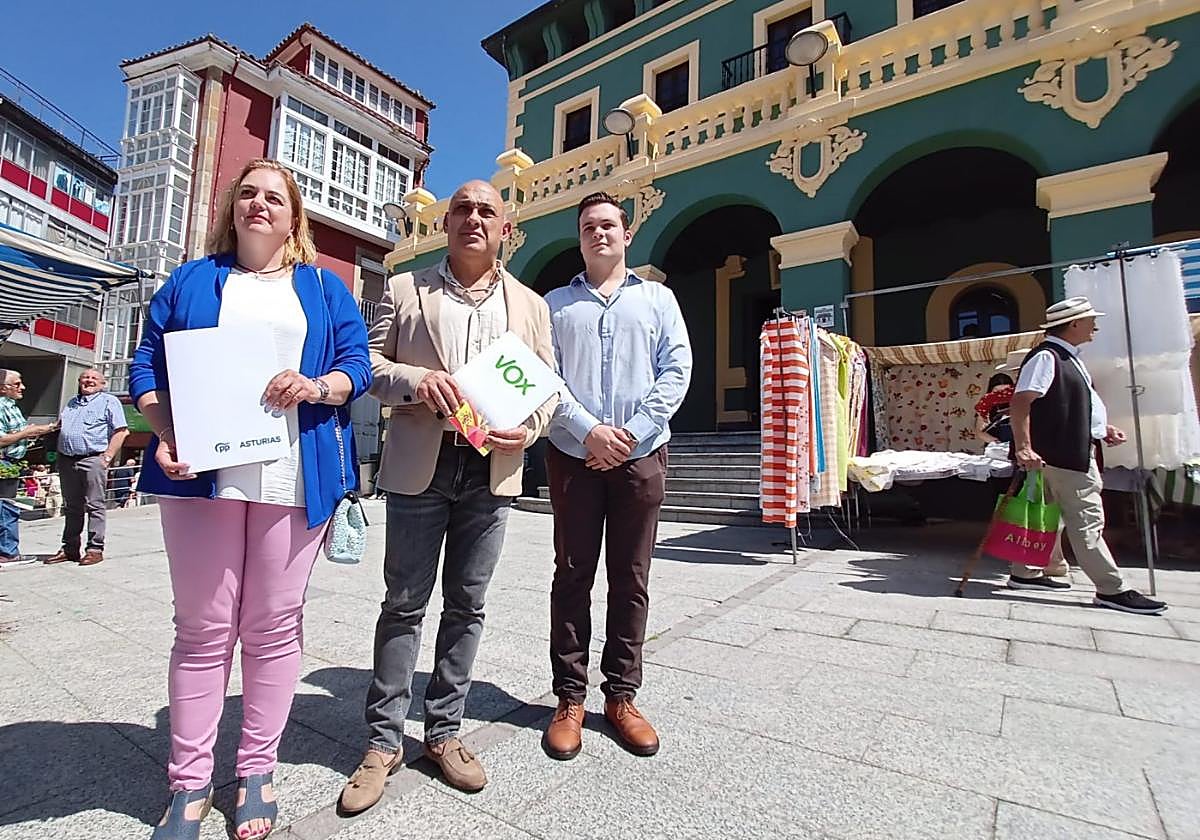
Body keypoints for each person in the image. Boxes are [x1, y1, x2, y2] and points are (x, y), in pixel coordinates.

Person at [128, 158, 371, 840]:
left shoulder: (324, 289)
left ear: (294, 217)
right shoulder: (192, 279)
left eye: (274, 197)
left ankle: (257, 769)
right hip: (201, 473)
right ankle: (189, 785)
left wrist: (316, 387)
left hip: (293, 476)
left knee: (272, 626)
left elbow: (356, 366)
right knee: (203, 628)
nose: (259, 205)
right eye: (248, 194)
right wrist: (164, 430)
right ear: (231, 207)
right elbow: (147, 360)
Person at [340, 180, 556, 814]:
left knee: (467, 604)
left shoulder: (531, 305)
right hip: (420, 466)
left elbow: (546, 388)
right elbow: (369, 366)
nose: (473, 218)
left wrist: (531, 428)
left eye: (487, 210)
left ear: (505, 230)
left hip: (490, 470)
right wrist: (416, 380)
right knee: (404, 602)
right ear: (445, 224)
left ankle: (444, 732)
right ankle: (382, 743)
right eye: (462, 208)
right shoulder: (406, 289)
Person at [542, 192, 692, 761]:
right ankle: (569, 697)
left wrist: (627, 433)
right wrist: (588, 433)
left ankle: (622, 696)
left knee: (631, 578)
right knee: (573, 574)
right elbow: (546, 380)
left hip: (642, 455)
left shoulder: (658, 300)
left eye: (608, 225)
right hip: (573, 459)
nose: (599, 234)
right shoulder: (555, 304)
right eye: (588, 227)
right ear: (579, 238)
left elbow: (677, 369)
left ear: (627, 234)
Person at [1009, 297, 1167, 615]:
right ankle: (1112, 588)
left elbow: (1066, 405)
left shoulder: (1067, 358)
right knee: (1087, 520)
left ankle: (1026, 572)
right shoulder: (1048, 356)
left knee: (1050, 515)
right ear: (1074, 323)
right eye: (1091, 320)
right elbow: (1022, 401)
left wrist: (1099, 428)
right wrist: (1024, 446)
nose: (1095, 325)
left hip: (1062, 451)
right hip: (1064, 455)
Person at [45, 369, 128, 566]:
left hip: (92, 459)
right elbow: (59, 426)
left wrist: (106, 457)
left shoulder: (109, 401)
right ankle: (70, 548)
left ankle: (95, 548)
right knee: (71, 506)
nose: (88, 381)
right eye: (85, 377)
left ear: (103, 384)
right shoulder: (72, 403)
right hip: (67, 460)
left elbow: (122, 431)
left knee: (94, 505)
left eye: (94, 378)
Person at [0, 369, 58, 566]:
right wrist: (27, 432)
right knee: (7, 508)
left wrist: (36, 432)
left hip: (11, 463)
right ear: (3, 388)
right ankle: (7, 553)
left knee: (7, 507)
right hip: (4, 463)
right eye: (17, 384)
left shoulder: (11, 406)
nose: (22, 387)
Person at [974, 372, 1015, 445]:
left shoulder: (1020, 402)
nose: (1001, 395)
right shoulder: (985, 405)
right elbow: (980, 431)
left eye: (1005, 390)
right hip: (996, 444)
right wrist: (995, 442)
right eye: (996, 391)